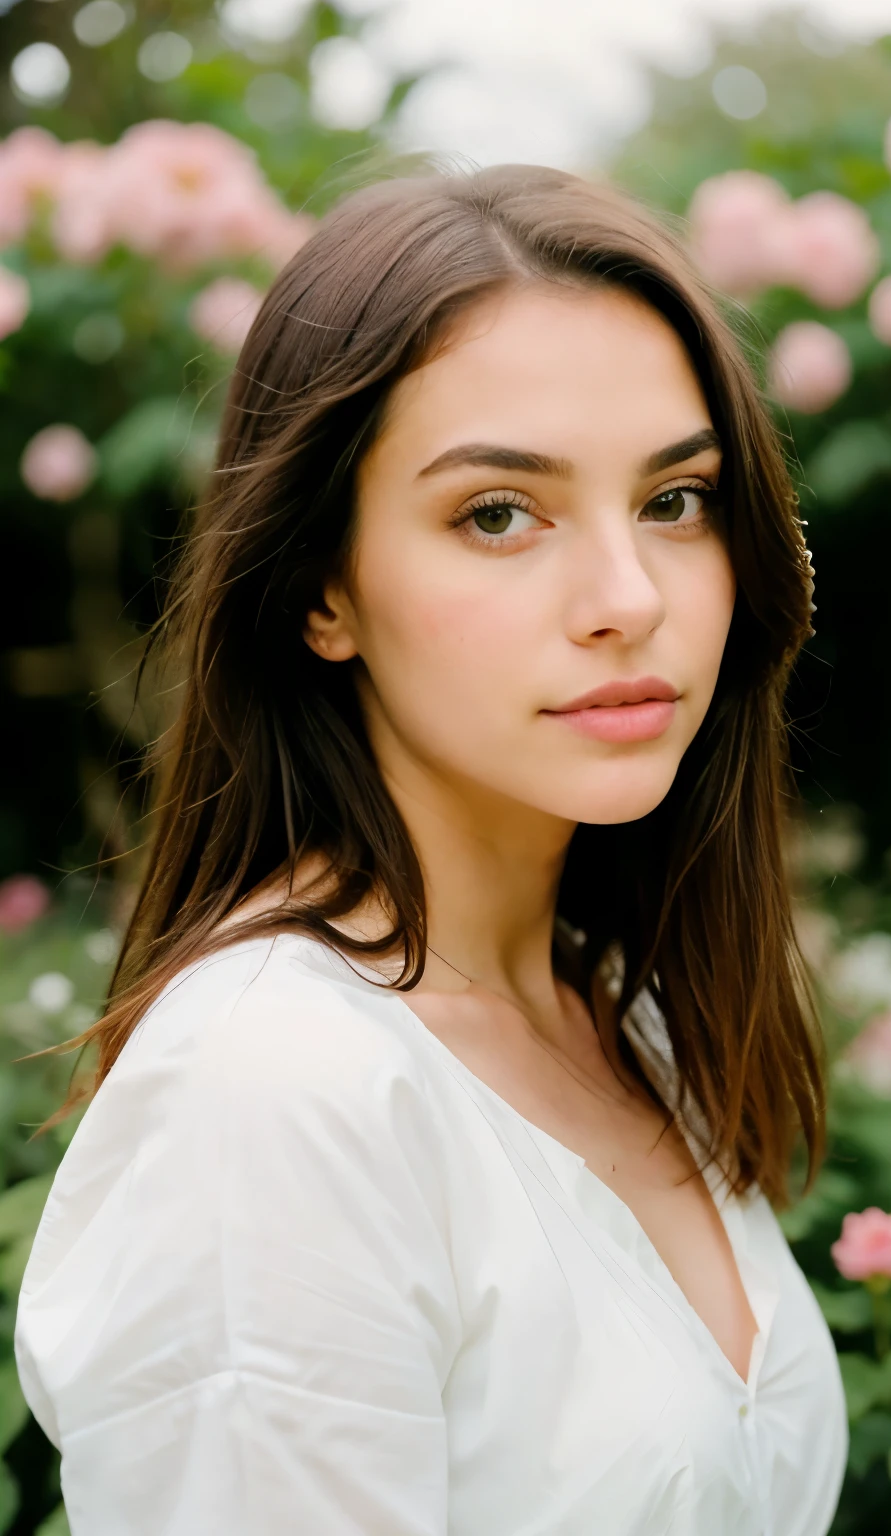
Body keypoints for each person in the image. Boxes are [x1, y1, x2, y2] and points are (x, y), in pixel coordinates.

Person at [14, 164, 847, 1536]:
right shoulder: (278, 1091)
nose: (629, 600)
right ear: (325, 588)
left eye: (675, 499)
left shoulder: (621, 1013)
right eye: (498, 514)